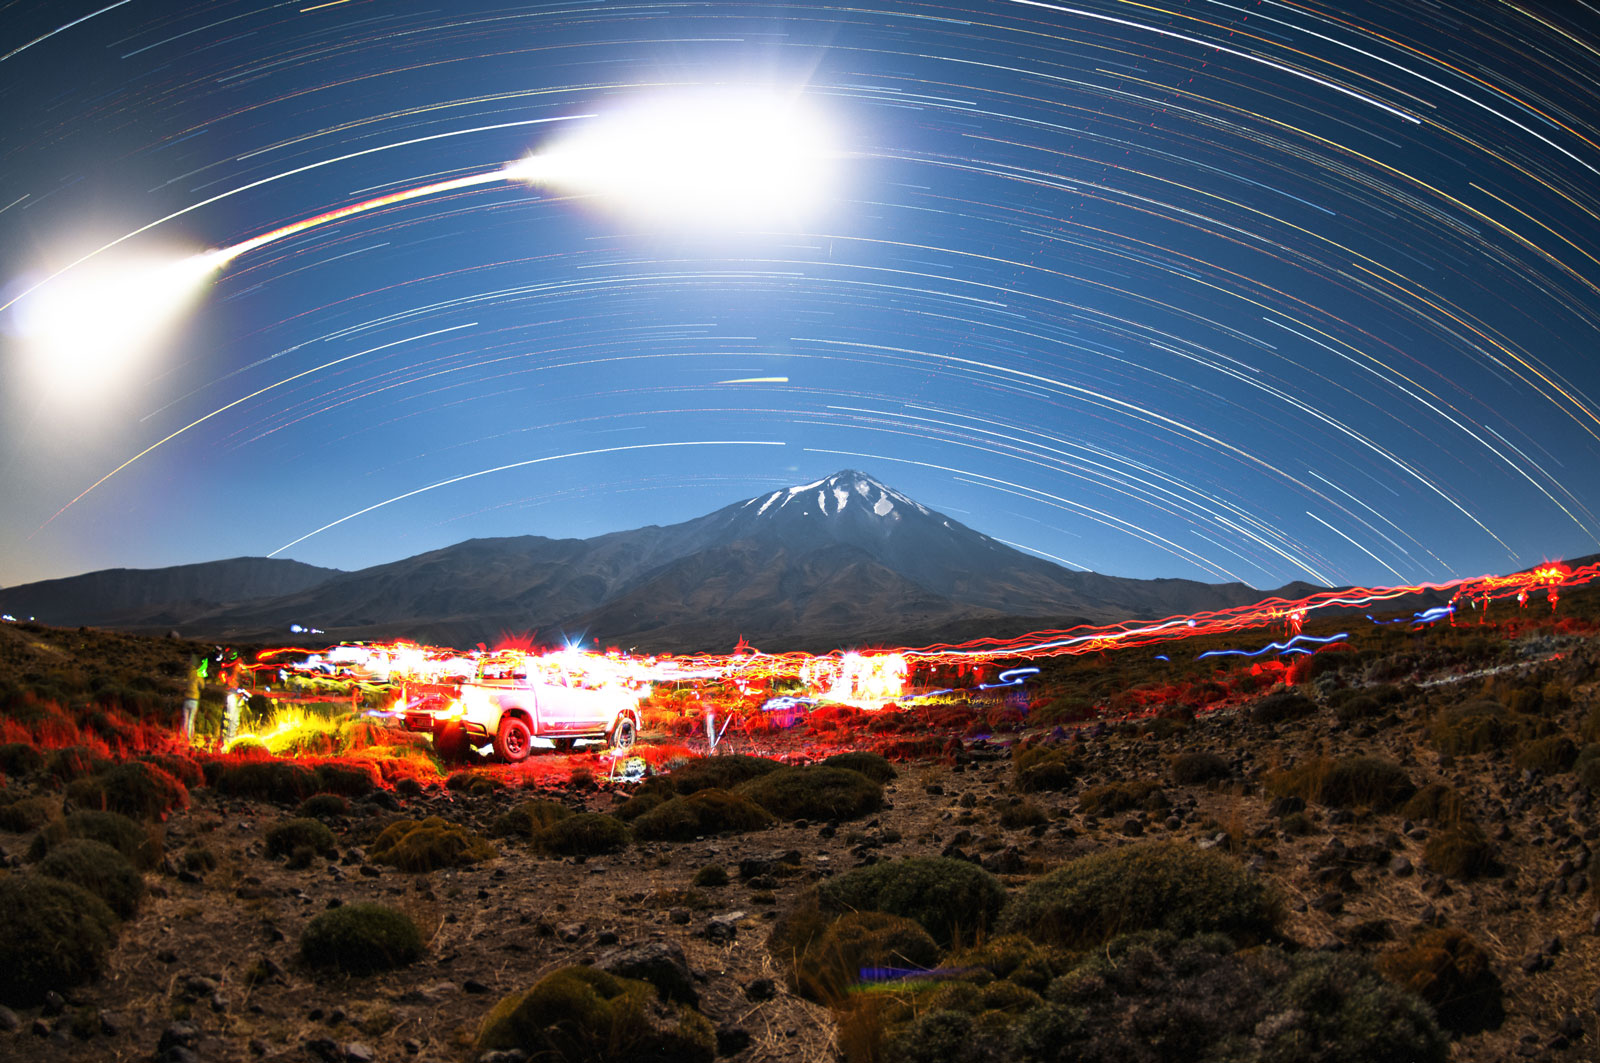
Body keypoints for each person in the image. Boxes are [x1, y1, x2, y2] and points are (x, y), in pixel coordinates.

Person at [181, 653, 205, 740]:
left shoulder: (189, 673)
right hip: (194, 699)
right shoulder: (198, 674)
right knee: (191, 720)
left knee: (185, 719)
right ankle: (189, 738)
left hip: (187, 698)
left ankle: (183, 736)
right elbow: (202, 686)